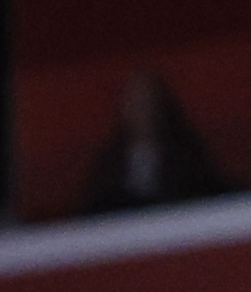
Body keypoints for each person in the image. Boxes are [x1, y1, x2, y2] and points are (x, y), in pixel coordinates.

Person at [80, 72, 228, 215]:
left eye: (147, 102)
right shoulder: (111, 163)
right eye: (134, 104)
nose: (141, 112)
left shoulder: (185, 155)